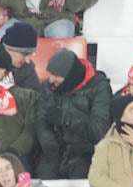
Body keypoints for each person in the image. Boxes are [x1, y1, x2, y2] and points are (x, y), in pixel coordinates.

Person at [36, 48, 112, 179]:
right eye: (50, 73)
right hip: (56, 148)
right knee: (43, 178)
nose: (51, 79)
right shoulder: (47, 88)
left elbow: (100, 130)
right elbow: (41, 120)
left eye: (56, 75)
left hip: (86, 150)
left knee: (79, 177)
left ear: (71, 75)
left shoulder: (99, 87)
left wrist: (66, 118)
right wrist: (49, 143)